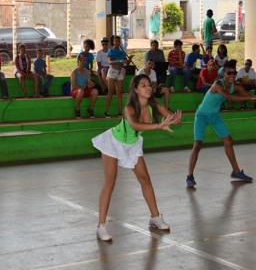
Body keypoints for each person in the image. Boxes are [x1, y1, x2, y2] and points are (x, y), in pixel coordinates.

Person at [92, 74, 182, 241]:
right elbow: (135, 125)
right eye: (143, 85)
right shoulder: (129, 108)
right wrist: (158, 125)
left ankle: (155, 217)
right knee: (110, 183)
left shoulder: (153, 104)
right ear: (135, 90)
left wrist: (175, 120)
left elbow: (169, 116)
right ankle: (101, 226)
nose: (148, 87)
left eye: (149, 84)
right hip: (114, 142)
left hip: (133, 144)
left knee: (145, 180)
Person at [186, 60, 256, 188]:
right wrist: (250, 98)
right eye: (229, 73)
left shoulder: (237, 86)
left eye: (234, 73)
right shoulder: (218, 84)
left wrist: (252, 98)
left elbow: (249, 97)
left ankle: (236, 171)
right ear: (223, 74)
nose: (232, 75)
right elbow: (229, 97)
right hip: (201, 115)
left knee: (228, 140)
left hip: (214, 116)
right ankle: (190, 176)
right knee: (197, 145)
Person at [104, 35, 130, 118]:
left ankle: (120, 111)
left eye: (119, 41)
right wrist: (119, 60)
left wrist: (127, 61)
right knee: (111, 92)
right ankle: (106, 111)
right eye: (116, 41)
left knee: (119, 92)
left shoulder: (122, 51)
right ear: (113, 42)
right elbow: (110, 62)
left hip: (120, 72)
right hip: (112, 71)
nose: (117, 43)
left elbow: (126, 62)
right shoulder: (111, 50)